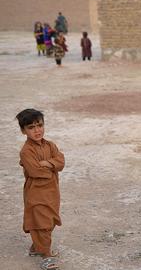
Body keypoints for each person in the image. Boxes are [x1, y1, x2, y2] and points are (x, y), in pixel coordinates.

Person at [17, 108, 65, 270]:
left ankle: (36, 248)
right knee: (41, 223)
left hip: (52, 192)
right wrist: (52, 166)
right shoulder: (26, 151)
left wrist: (48, 163)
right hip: (36, 192)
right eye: (31, 127)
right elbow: (35, 171)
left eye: (39, 125)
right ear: (23, 131)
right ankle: (46, 256)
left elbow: (61, 162)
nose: (37, 130)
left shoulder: (50, 145)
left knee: (50, 221)